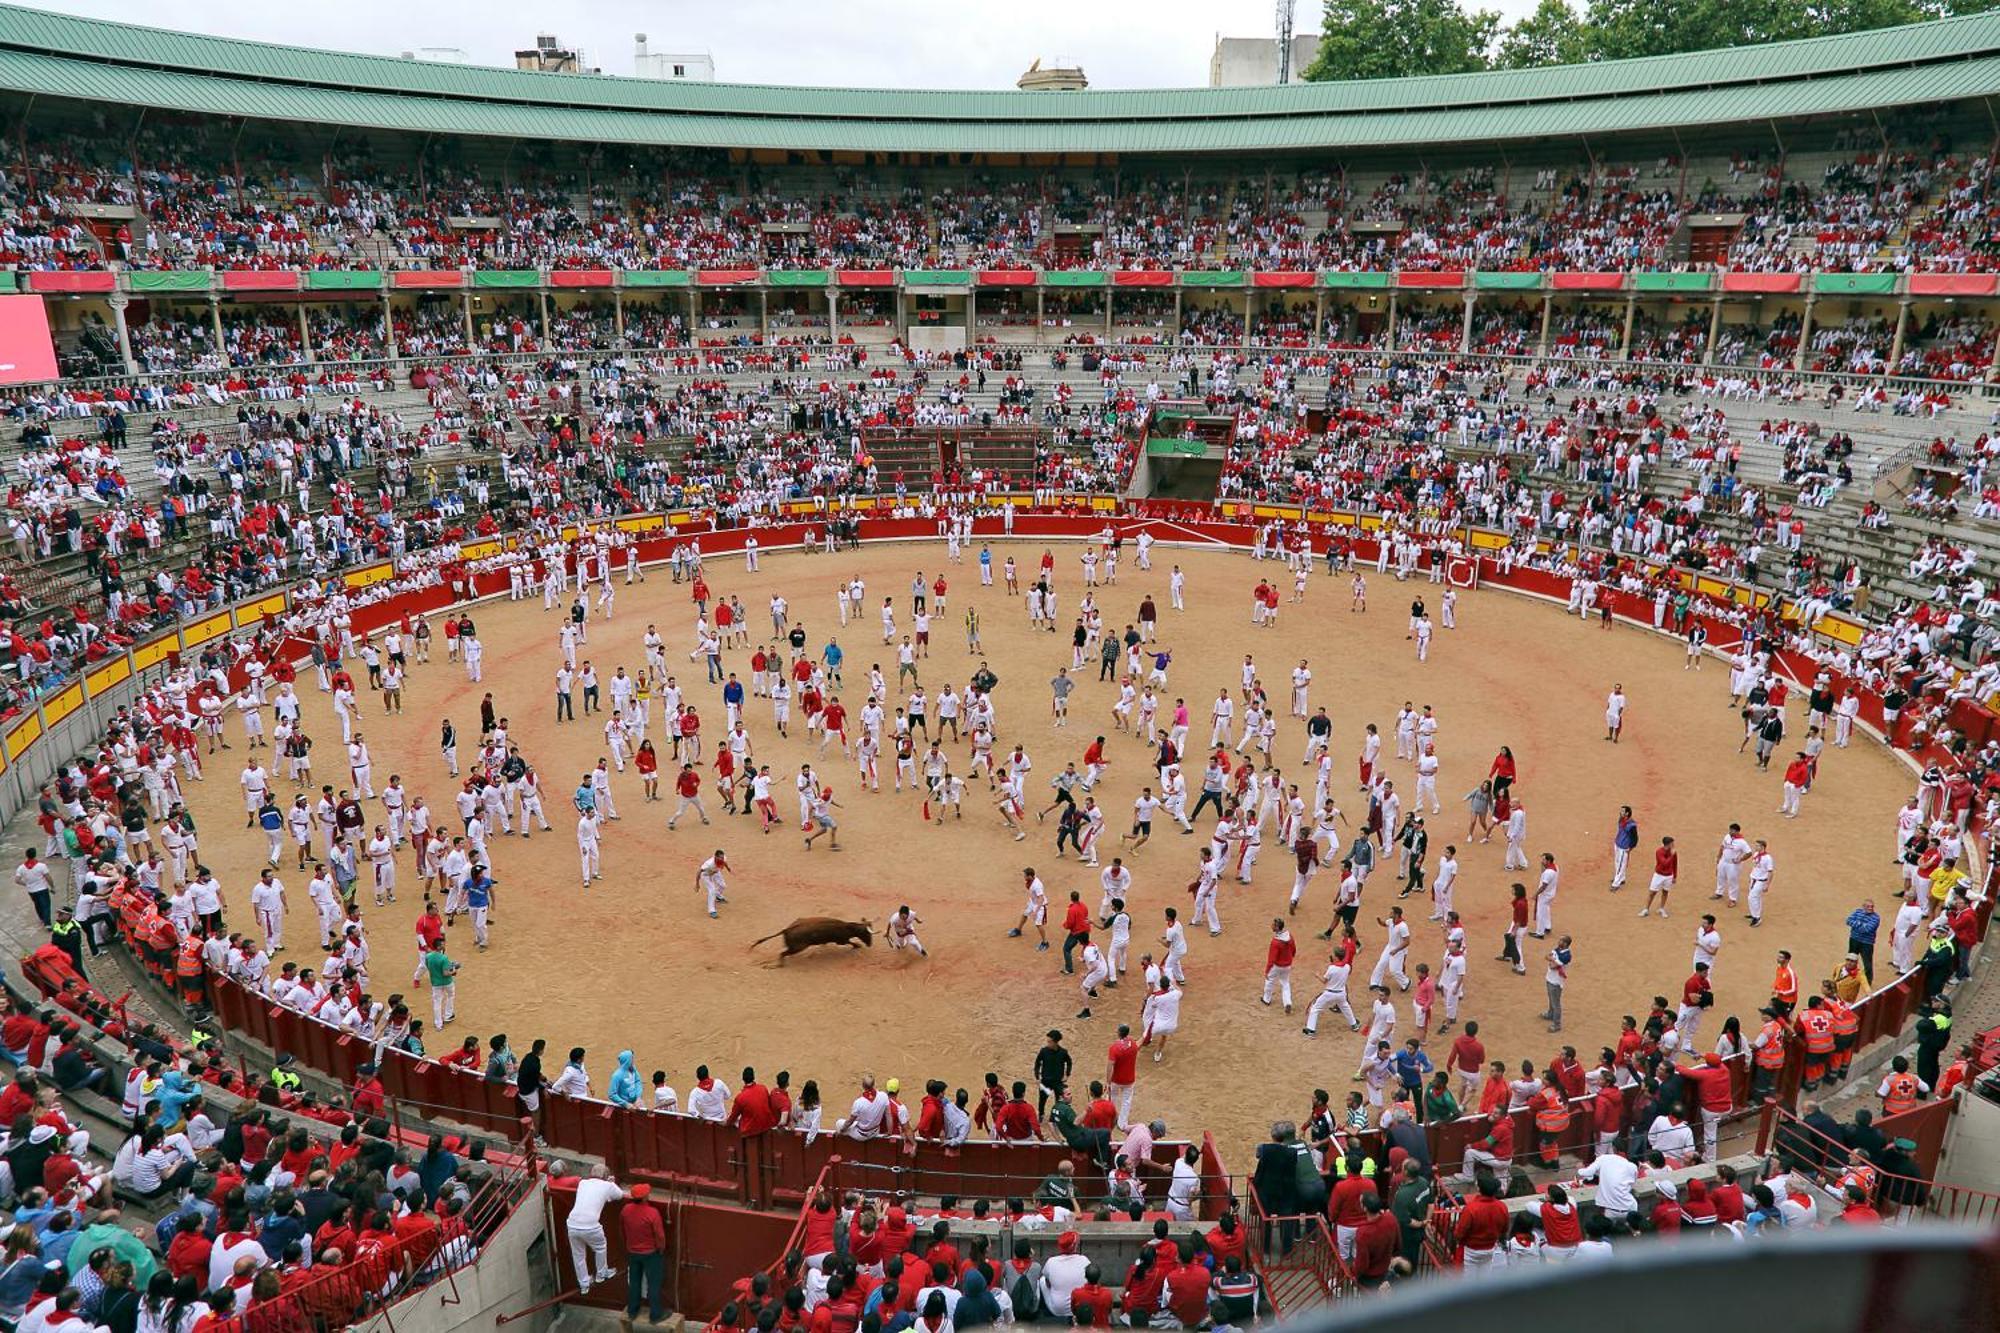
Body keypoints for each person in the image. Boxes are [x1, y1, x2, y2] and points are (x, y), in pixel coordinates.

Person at [564, 1164, 624, 1295]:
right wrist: (611, 1183)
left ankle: (584, 1284)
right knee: (600, 1247)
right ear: (606, 1176)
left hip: (572, 1223)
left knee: (578, 1255)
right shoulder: (607, 1185)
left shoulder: (583, 1183)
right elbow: (620, 1195)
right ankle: (601, 1274)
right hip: (590, 1225)